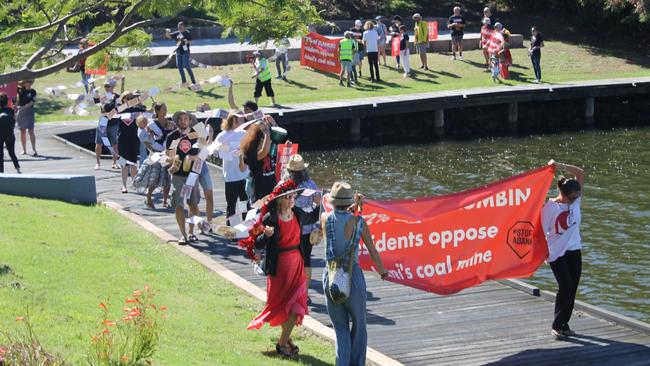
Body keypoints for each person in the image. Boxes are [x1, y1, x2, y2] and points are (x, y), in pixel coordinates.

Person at [240, 179, 321, 356]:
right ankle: (286, 340)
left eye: (293, 196)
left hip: (297, 263)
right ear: (279, 200)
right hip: (280, 267)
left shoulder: (298, 213)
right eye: (288, 197)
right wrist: (267, 235)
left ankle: (283, 342)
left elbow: (313, 216)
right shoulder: (271, 218)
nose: (292, 199)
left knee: (297, 302)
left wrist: (318, 205)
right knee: (285, 304)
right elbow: (257, 244)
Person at [321, 182, 388, 366]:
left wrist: (355, 206)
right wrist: (382, 271)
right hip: (353, 278)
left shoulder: (325, 219)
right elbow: (373, 251)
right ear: (349, 201)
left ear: (333, 202)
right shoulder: (359, 222)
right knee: (359, 326)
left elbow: (335, 213)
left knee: (340, 328)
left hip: (331, 277)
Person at [541, 160, 585, 338]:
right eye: (573, 197)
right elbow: (541, 232)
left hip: (574, 250)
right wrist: (541, 253)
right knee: (565, 287)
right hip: (556, 253)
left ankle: (565, 325)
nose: (576, 200)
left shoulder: (575, 200)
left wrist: (560, 165)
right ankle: (556, 325)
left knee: (572, 288)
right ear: (563, 193)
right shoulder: (550, 208)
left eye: (577, 196)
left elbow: (580, 173)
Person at [282, 154, 319, 304]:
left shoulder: (284, 185)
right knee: (306, 261)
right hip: (307, 228)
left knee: (289, 259)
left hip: (290, 228)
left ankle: (290, 291)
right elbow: (318, 204)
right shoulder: (311, 185)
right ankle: (305, 293)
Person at [165, 110, 201, 244]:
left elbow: (204, 152)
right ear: (177, 121)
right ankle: (183, 234)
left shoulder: (196, 135)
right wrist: (173, 159)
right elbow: (168, 156)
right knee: (179, 205)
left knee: (193, 205)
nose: (183, 121)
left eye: (185, 119)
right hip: (178, 175)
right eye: (180, 119)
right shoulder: (172, 136)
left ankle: (191, 232)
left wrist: (192, 158)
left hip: (192, 175)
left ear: (190, 121)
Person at [132, 104, 172, 209]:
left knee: (167, 178)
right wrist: (152, 149)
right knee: (154, 177)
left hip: (167, 153)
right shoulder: (151, 124)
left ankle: (165, 201)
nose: (165, 111)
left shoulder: (169, 123)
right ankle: (148, 198)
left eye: (166, 109)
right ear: (157, 111)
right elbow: (145, 139)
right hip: (157, 154)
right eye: (163, 109)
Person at [216, 113, 249, 225]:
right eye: (240, 118)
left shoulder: (244, 134)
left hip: (244, 175)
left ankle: (245, 229)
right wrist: (231, 151)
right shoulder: (222, 136)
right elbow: (216, 151)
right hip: (231, 176)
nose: (243, 119)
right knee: (232, 205)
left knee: (244, 203)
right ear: (234, 120)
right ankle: (232, 231)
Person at [240, 118, 277, 202]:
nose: (268, 141)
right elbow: (264, 151)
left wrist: (273, 125)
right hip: (258, 193)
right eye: (264, 140)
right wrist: (267, 132)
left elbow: (276, 140)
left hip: (272, 191)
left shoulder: (270, 149)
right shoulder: (250, 152)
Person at [117, 91, 147, 193]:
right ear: (124, 99)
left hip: (134, 140)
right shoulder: (120, 108)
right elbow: (111, 111)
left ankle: (134, 184)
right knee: (123, 164)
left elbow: (144, 109)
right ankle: (123, 185)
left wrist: (142, 103)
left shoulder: (136, 109)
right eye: (128, 97)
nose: (130, 99)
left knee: (133, 163)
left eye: (132, 97)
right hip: (122, 140)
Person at [94, 79, 119, 170]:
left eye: (108, 86)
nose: (106, 88)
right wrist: (90, 88)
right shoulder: (102, 96)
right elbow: (93, 101)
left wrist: (110, 114)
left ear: (113, 86)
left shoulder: (117, 97)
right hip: (103, 122)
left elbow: (119, 108)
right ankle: (97, 163)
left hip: (113, 122)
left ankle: (114, 163)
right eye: (105, 86)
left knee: (114, 143)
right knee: (99, 142)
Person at [165, 21, 197, 86]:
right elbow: (168, 36)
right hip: (178, 52)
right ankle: (184, 81)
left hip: (185, 52)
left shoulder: (187, 33)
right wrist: (167, 32)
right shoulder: (177, 33)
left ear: (183, 26)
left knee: (186, 66)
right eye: (178, 27)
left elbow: (191, 42)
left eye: (180, 26)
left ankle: (193, 82)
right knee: (179, 66)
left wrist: (187, 41)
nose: (179, 28)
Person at [16, 80, 37, 156]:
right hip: (21, 112)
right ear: (23, 84)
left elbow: (32, 102)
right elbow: (14, 85)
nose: (28, 84)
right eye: (26, 82)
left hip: (29, 111)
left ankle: (34, 149)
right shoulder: (20, 90)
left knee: (31, 130)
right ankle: (24, 150)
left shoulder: (33, 91)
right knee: (22, 131)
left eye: (29, 82)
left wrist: (24, 107)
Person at [0, 92, 20, 174]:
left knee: (0, 155)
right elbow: (14, 120)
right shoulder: (11, 111)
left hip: (0, 135)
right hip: (10, 134)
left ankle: (1, 172)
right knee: (12, 152)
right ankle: (18, 168)